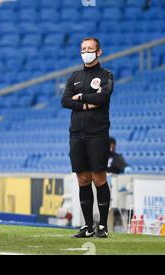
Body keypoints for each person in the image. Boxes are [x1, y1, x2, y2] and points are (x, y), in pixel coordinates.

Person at [61, 37, 114, 238]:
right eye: (83, 49)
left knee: (98, 177)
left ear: (98, 52)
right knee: (82, 179)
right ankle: (88, 226)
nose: (86, 52)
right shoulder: (74, 76)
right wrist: (86, 103)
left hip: (97, 134)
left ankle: (103, 226)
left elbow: (102, 98)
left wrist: (80, 97)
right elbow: (65, 100)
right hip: (76, 134)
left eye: (90, 49)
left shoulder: (106, 75)